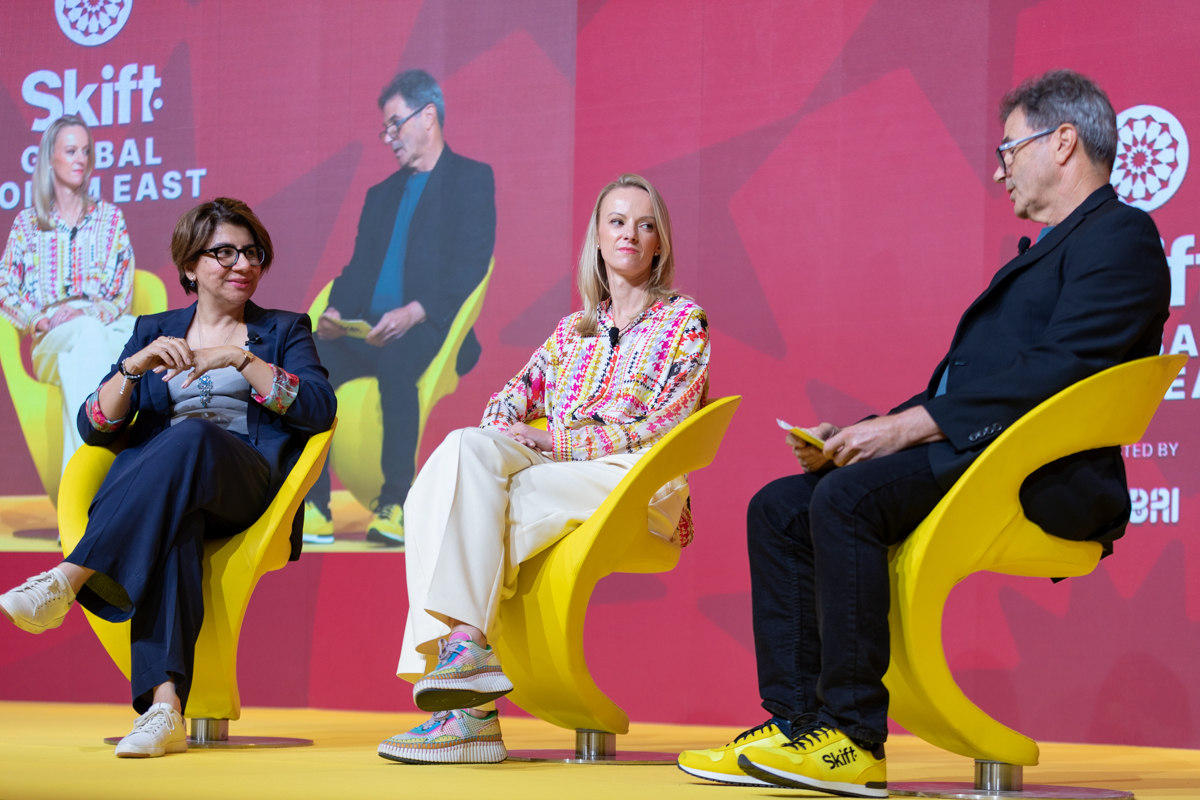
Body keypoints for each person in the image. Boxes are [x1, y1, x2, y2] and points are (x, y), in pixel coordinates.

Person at [678, 70, 1171, 797]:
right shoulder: (1049, 248)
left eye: (1009, 148)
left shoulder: (1122, 235)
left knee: (843, 501)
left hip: (1038, 473)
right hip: (976, 452)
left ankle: (852, 737)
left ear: (1063, 142)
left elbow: (1067, 368)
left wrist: (911, 429)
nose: (998, 168)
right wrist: (867, 432)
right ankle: (797, 724)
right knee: (779, 507)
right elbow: (967, 385)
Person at [376, 174, 709, 764]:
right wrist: (516, 432)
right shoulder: (570, 332)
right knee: (461, 453)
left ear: (659, 243)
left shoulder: (683, 321)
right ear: (598, 240)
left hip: (634, 477)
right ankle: (466, 654)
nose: (630, 233)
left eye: (645, 223)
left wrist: (553, 439)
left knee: (478, 505)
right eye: (616, 221)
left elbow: (665, 428)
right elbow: (504, 405)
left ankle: (466, 709)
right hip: (553, 469)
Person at [0, 198, 336, 758]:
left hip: (244, 483)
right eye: (224, 252)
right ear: (189, 266)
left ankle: (68, 578)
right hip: (166, 492)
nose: (241, 264)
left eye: (252, 253)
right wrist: (135, 367)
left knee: (190, 435)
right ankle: (164, 710)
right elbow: (95, 425)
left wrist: (242, 360)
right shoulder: (152, 330)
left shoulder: (282, 330)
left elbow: (319, 408)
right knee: (178, 526)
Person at [304, 67, 496, 546]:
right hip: (366, 328)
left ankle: (395, 503)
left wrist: (415, 311)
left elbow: (471, 264)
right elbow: (356, 272)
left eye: (395, 124)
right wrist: (333, 314)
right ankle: (313, 504)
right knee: (308, 362)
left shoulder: (470, 180)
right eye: (385, 128)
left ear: (427, 116)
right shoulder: (381, 194)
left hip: (428, 325)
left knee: (396, 365)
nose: (388, 137)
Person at [0, 114, 135, 477]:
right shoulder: (28, 224)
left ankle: (78, 489)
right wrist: (38, 319)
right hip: (51, 336)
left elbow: (122, 292)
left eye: (86, 151)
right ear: (50, 159)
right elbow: (4, 286)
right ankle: (111, 475)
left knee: (115, 334)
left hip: (102, 323)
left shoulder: (110, 218)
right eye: (71, 150)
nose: (80, 159)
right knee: (94, 339)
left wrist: (88, 314)